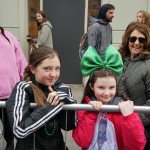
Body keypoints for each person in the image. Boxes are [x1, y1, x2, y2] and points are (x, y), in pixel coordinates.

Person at [72, 45, 146, 150]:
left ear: (117, 86)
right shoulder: (85, 108)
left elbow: (137, 145)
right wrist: (91, 112)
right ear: (92, 87)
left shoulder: (124, 109)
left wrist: (129, 117)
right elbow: (82, 141)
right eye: (101, 87)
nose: (107, 93)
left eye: (111, 87)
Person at [6, 46, 77, 150]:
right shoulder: (23, 88)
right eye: (47, 68)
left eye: (57, 68)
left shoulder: (62, 89)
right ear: (33, 69)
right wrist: (54, 105)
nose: (53, 74)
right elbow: (20, 131)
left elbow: (69, 125)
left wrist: (68, 100)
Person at [118, 22, 150, 150]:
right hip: (119, 125)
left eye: (141, 39)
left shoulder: (148, 65)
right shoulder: (119, 59)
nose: (136, 43)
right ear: (127, 40)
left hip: (141, 129)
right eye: (133, 38)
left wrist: (134, 121)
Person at [0, 26, 27, 150]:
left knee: (8, 123)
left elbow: (20, 60)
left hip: (8, 91)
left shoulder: (8, 36)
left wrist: (24, 80)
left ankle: (10, 143)